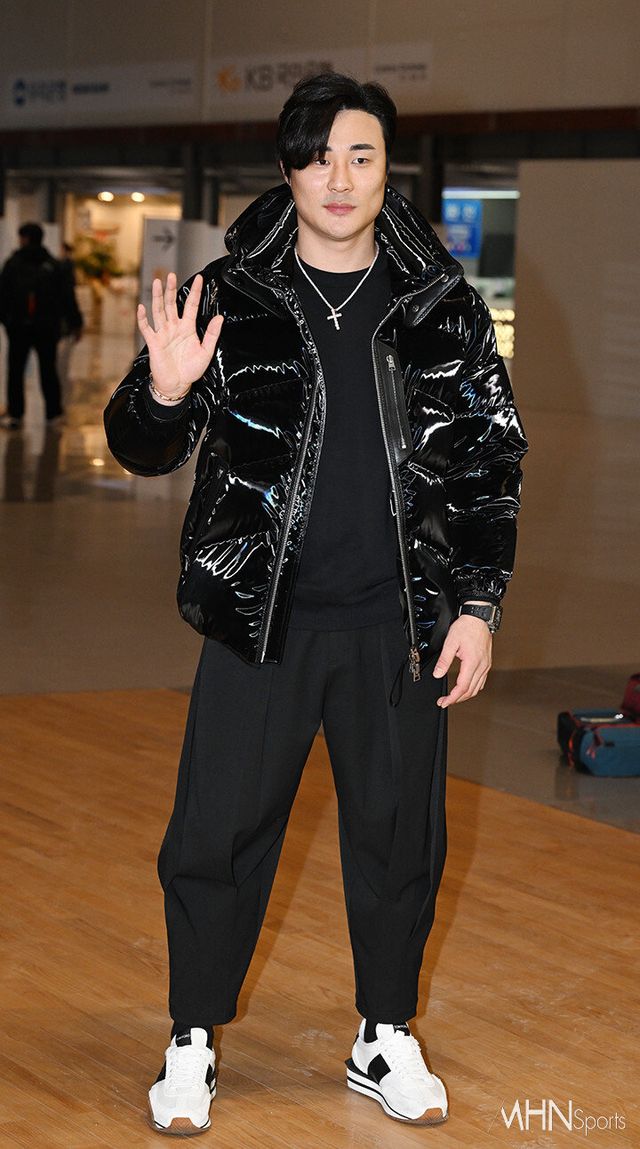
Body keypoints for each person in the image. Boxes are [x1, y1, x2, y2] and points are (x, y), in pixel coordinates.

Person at [104, 72, 528, 1136]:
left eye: (361, 156)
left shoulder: (440, 304)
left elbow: (487, 466)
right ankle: (192, 1036)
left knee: (398, 840)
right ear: (289, 169)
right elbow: (139, 445)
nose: (339, 178)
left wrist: (476, 604)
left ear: (388, 170)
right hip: (259, 622)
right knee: (216, 833)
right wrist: (164, 391)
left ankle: (384, 1031)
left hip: (402, 625)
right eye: (318, 156)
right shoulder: (229, 293)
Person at [0, 223, 83, 430]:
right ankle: (53, 415)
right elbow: (67, 297)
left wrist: (8, 321)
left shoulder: (13, 264)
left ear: (25, 238)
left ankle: (16, 414)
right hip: (46, 328)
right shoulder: (52, 265)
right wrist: (76, 322)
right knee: (48, 370)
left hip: (19, 327)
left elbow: (2, 295)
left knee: (16, 371)